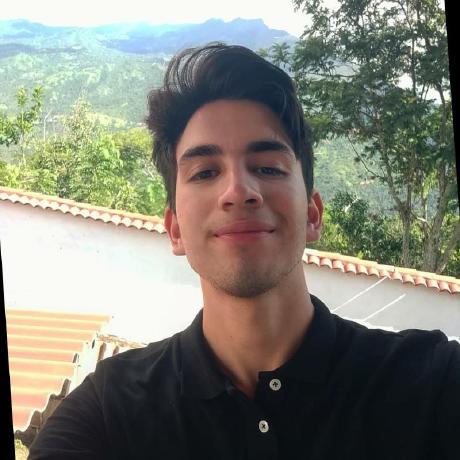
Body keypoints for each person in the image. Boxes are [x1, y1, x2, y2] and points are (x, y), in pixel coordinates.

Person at [28, 43, 460, 459]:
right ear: (175, 230)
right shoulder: (107, 413)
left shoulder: (433, 385)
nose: (238, 190)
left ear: (312, 215)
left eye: (267, 167)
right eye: (205, 172)